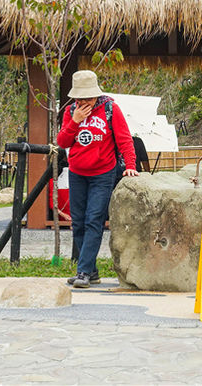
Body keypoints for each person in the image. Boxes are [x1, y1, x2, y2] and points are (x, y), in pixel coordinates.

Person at [56, 70, 138, 288]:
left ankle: (82, 271)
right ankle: (91, 272)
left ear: (96, 95)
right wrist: (75, 121)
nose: (84, 102)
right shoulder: (70, 111)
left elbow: (124, 140)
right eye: (80, 98)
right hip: (77, 173)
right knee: (79, 222)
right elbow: (62, 141)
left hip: (103, 173)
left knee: (94, 220)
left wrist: (130, 166)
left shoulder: (110, 109)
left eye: (88, 98)